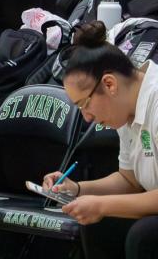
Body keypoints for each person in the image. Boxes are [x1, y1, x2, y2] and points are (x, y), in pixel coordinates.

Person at [39, 28, 158, 259]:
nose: (87, 117)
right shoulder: (126, 108)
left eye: (85, 105)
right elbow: (129, 180)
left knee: (146, 235)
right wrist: (78, 189)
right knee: (98, 224)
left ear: (110, 84)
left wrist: (102, 205)